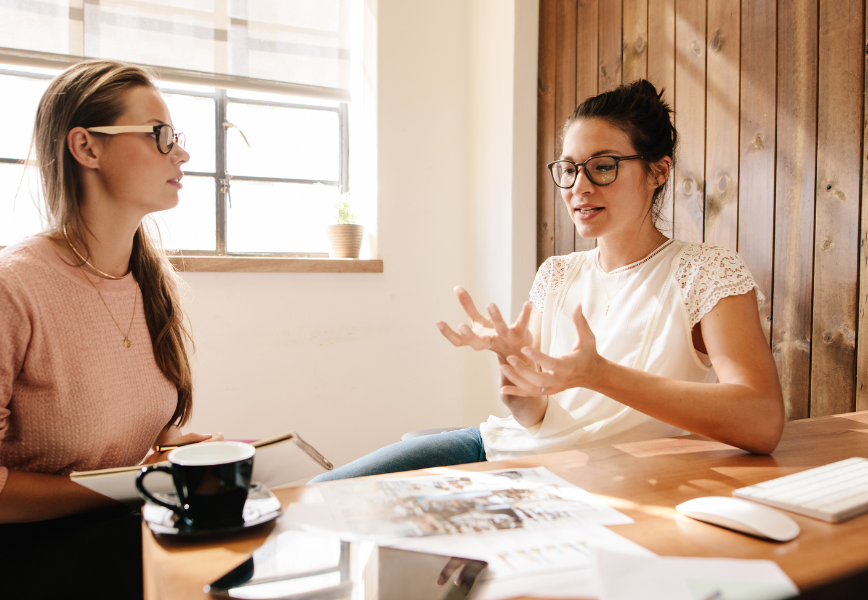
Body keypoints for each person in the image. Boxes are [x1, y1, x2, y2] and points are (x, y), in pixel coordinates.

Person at [310, 80, 784, 483]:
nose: (580, 186)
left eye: (603, 166)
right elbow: (533, 418)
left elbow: (761, 421)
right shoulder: (557, 272)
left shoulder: (705, 270)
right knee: (319, 494)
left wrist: (600, 375)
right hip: (496, 448)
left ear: (658, 171)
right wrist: (516, 379)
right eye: (570, 168)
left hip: (575, 475)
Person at [0, 60, 218, 599]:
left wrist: (168, 456)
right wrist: (133, 486)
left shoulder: (146, 279)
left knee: (245, 524)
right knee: (203, 559)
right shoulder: (2, 289)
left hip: (111, 533)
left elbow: (103, 435)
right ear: (87, 148)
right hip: (1, 561)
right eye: (160, 135)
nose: (182, 153)